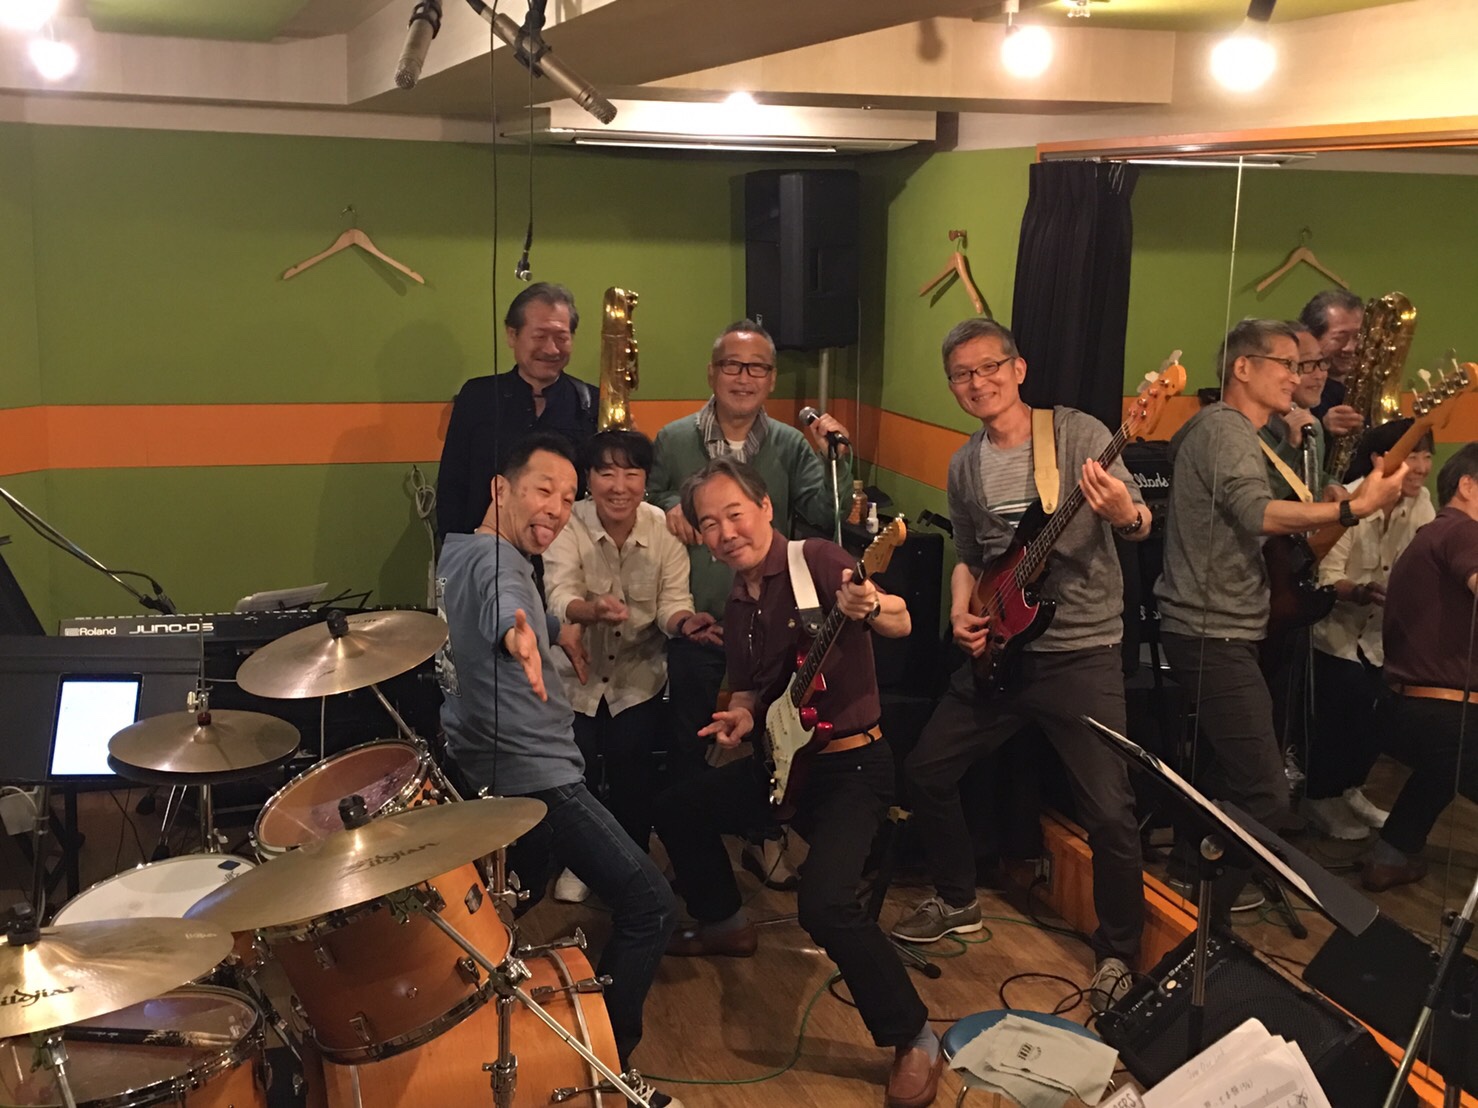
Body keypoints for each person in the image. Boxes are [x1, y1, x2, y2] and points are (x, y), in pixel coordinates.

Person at [653, 457, 941, 1108]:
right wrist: (742, 714)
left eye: (735, 514)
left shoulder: (817, 561)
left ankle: (915, 1037)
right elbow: (752, 686)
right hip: (785, 761)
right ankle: (725, 923)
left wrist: (871, 603)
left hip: (851, 766)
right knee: (677, 806)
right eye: (709, 523)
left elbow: (898, 619)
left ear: (765, 508)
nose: (725, 532)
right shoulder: (736, 602)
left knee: (826, 905)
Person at [890, 318, 1150, 1011]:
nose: (977, 383)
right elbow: (972, 557)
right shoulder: (965, 464)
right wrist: (961, 610)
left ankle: (1118, 953)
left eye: (989, 367)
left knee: (1111, 812)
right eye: (962, 375)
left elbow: (1139, 522)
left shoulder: (1077, 434)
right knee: (926, 769)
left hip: (1081, 653)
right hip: (1001, 651)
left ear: (1019, 368)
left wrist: (1124, 513)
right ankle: (957, 899)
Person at [435, 432, 680, 1105]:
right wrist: (522, 637)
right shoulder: (502, 566)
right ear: (501, 489)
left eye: (568, 498)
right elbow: (504, 609)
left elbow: (500, 610)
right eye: (543, 489)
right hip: (534, 775)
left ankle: (484, 1041)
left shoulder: (459, 552)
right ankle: (605, 1068)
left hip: (486, 760)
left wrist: (549, 629)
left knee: (506, 907)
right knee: (650, 905)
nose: (556, 507)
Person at [1154, 319, 1405, 916]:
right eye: (1287, 365)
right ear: (1243, 367)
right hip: (1211, 628)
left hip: (1228, 626)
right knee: (1267, 795)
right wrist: (1353, 510)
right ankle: (1204, 925)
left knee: (1232, 774)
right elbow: (1256, 513)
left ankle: (1191, 885)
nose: (1298, 377)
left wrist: (1333, 498)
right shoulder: (1226, 428)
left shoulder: (1239, 432)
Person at [647, 319, 852, 887]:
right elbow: (648, 497)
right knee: (690, 737)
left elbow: (823, 509)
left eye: (757, 367)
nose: (744, 378)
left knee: (775, 741)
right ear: (712, 373)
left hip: (770, 621)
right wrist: (669, 506)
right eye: (733, 366)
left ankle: (767, 838)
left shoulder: (790, 444)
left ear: (771, 378)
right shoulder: (673, 439)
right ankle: (692, 853)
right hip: (697, 614)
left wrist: (836, 460)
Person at [542, 429, 720, 902]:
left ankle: (632, 860)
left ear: (646, 479)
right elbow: (558, 594)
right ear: (588, 478)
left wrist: (685, 623)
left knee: (634, 768)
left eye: (631, 473)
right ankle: (581, 861)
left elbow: (673, 602)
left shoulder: (663, 529)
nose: (618, 486)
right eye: (606, 473)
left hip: (638, 674)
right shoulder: (568, 524)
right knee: (575, 767)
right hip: (576, 675)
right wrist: (590, 610)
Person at [1301, 420, 1435, 840]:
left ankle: (1349, 788)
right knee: (1349, 701)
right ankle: (1319, 796)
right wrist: (1360, 592)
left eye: (1427, 457)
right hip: (1335, 631)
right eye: (1412, 456)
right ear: (1381, 460)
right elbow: (1325, 576)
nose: (1421, 467)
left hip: (1383, 634)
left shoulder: (1421, 501)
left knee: (1390, 709)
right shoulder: (1351, 500)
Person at [1361, 443, 1478, 892]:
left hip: (1410, 705)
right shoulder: (1464, 532)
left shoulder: (1430, 535)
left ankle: (1390, 855)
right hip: (1445, 710)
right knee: (1457, 751)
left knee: (1446, 767)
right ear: (1467, 486)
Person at [436, 283, 598, 538]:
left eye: (561, 337)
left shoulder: (592, 402)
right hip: (485, 550)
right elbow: (452, 485)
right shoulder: (478, 397)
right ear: (512, 335)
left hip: (566, 554)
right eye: (540, 336)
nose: (551, 349)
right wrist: (457, 552)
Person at [1258, 321, 1331, 500]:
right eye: (1307, 364)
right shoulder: (1247, 427)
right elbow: (1258, 499)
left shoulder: (1312, 424)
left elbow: (1312, 479)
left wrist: (1330, 484)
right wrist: (1289, 446)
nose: (1319, 375)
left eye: (1321, 362)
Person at [1299, 289, 1366, 440]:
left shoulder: (1365, 384)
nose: (1350, 348)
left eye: (1358, 337)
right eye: (1339, 338)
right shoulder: (1296, 386)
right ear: (1311, 337)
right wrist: (1321, 427)